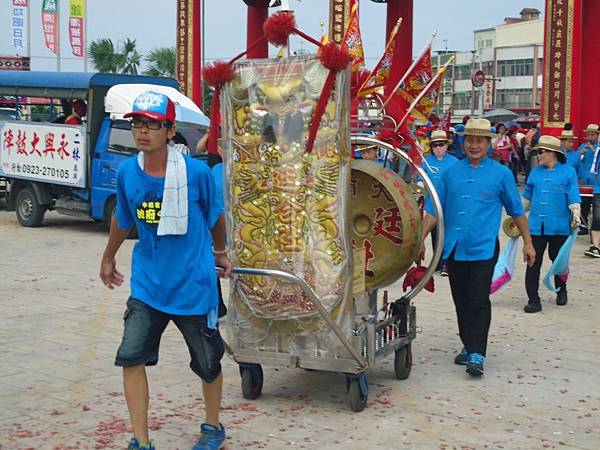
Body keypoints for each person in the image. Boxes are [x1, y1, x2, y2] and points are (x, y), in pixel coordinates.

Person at [99, 91, 232, 450]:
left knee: (208, 364)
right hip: (148, 285)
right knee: (130, 356)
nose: (142, 131)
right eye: (137, 124)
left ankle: (212, 426)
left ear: (170, 131)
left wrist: (219, 252)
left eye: (152, 125)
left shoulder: (197, 173)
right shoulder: (128, 172)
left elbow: (215, 214)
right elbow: (122, 218)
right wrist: (108, 256)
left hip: (193, 283)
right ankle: (140, 440)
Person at [420, 118, 536, 377]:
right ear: (463, 143)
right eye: (470, 140)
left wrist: (528, 242)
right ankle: (468, 343)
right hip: (454, 247)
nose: (474, 145)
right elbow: (432, 209)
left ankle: (477, 353)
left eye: (480, 140)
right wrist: (420, 241)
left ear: (488, 143)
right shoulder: (449, 173)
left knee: (478, 298)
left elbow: (517, 212)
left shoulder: (501, 174)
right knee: (461, 300)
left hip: (484, 248)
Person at [522, 136, 581, 312]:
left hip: (559, 226)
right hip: (535, 226)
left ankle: (561, 290)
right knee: (533, 262)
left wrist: (576, 212)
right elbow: (527, 197)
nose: (539, 155)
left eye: (542, 152)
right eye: (538, 152)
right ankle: (533, 299)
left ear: (553, 153)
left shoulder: (568, 172)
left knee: (559, 261)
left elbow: (573, 195)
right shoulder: (535, 172)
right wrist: (515, 213)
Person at [423, 130, 457, 276]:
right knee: (435, 234)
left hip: (449, 205)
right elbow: (420, 180)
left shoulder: (455, 162)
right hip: (431, 205)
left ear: (446, 145)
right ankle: (437, 262)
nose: (438, 148)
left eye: (441, 144)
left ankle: (447, 264)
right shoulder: (426, 162)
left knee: (447, 233)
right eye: (435, 145)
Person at [577, 123, 599, 235]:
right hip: (584, 180)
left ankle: (596, 228)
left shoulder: (598, 148)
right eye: (588, 135)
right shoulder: (582, 146)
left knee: (596, 207)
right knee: (583, 205)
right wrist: (580, 154)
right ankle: (583, 226)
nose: (590, 137)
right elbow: (577, 161)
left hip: (596, 181)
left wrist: (594, 151)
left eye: (592, 135)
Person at [584, 138, 600, 258]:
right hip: (599, 189)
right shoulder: (598, 150)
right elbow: (594, 171)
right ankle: (595, 246)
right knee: (597, 217)